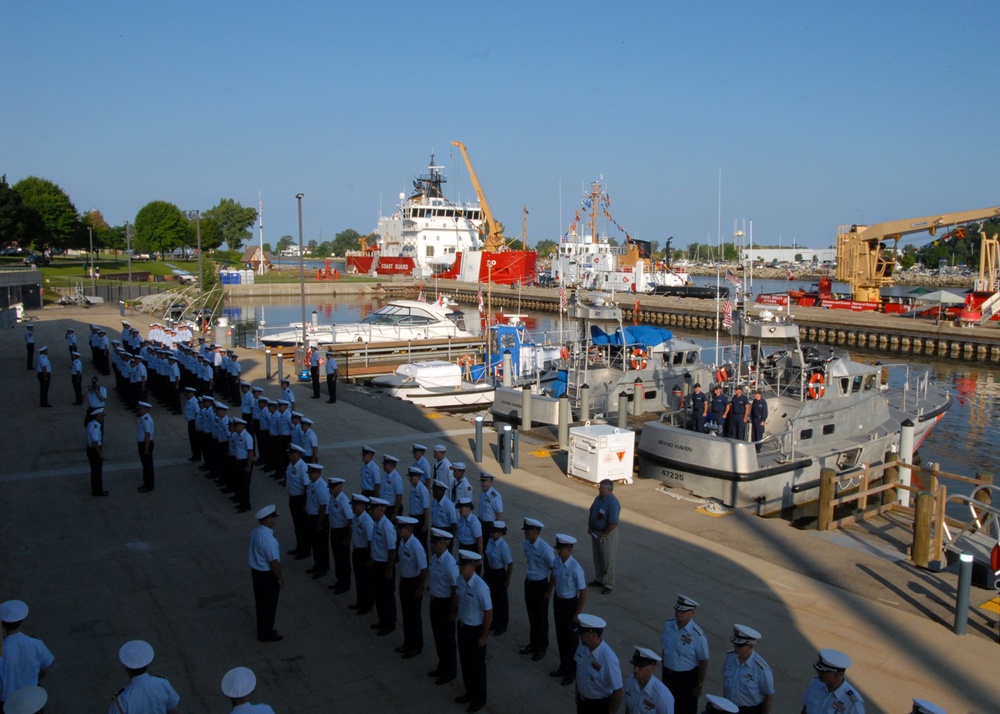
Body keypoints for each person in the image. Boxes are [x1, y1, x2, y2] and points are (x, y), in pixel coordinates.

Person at [454, 549, 492, 714]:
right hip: (462, 627)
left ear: (472, 567)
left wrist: (484, 636)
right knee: (465, 662)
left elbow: (488, 613)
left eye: (463, 566)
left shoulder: (480, 587)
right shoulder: (461, 580)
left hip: (474, 630)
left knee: (476, 666)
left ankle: (479, 698)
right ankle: (469, 692)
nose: (460, 569)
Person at [661, 595, 709, 714]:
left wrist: (699, 684)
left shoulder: (697, 635)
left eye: (683, 611)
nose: (679, 613)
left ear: (692, 612)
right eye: (677, 610)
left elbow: (703, 661)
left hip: (686, 680)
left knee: (685, 709)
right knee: (666, 708)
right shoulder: (669, 625)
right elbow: (665, 650)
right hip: (668, 675)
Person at [0, 600, 54, 705]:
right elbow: (46, 668)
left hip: (7, 702)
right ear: (23, 620)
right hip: (31, 698)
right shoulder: (36, 643)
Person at [550, 534, 587, 685]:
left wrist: (577, 613)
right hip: (559, 602)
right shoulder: (557, 562)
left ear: (570, 549)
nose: (559, 552)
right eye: (558, 549)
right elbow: (554, 578)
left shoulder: (575, 568)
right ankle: (563, 666)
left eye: (562, 549)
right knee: (560, 637)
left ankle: (571, 671)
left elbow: (583, 591)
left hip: (570, 605)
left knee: (571, 641)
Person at [108, 640, 180, 714]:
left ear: (127, 669)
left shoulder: (122, 699)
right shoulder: (163, 684)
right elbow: (173, 711)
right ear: (146, 664)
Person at [426, 528, 459, 685]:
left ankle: (450, 671)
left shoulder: (449, 564)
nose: (432, 546)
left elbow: (455, 589)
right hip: (435, 602)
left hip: (445, 604)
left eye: (434, 543)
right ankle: (442, 666)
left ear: (443, 544)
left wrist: (452, 612)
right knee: (438, 637)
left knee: (447, 640)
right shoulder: (435, 558)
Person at [519, 517, 554, 662]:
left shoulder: (545, 549)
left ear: (536, 532)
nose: (525, 533)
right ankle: (533, 643)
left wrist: (548, 590)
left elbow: (555, 570)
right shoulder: (526, 544)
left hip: (541, 585)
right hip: (530, 583)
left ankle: (541, 647)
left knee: (541, 618)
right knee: (532, 615)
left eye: (527, 531)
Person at [573, 613, 623, 714]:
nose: (579, 636)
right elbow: (579, 672)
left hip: (598, 706)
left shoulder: (608, 659)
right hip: (582, 702)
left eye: (582, 634)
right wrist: (577, 695)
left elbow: (618, 691)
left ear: (593, 635)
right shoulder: (582, 646)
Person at [248, 505, 283, 642]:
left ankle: (263, 629)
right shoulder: (269, 539)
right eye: (274, 517)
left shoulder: (255, 532)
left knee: (261, 604)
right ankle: (266, 633)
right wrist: (279, 577)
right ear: (268, 519)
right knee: (269, 605)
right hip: (266, 575)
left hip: (257, 572)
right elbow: (273, 562)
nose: (275, 520)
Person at [395, 516, 428, 658]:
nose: (398, 531)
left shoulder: (416, 546)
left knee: (414, 616)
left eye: (401, 528)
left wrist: (420, 588)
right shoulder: (402, 542)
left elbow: (424, 569)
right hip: (404, 582)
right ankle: (408, 642)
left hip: (414, 583)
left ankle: (416, 645)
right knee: (406, 615)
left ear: (409, 529)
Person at [722, 625, 773, 714]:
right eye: (735, 644)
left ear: (750, 646)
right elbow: (726, 681)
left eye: (739, 645)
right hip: (729, 707)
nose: (735, 647)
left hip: (749, 711)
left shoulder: (761, 669)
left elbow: (768, 695)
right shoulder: (730, 657)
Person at [800, 649, 864, 714]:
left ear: (836, 676)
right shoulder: (816, 683)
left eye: (823, 672)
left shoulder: (852, 703)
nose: (818, 672)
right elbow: (806, 708)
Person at [368, 497, 397, 636]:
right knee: (378, 594)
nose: (371, 512)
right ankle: (382, 620)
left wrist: (389, 569)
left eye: (373, 509)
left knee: (387, 596)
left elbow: (392, 549)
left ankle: (389, 623)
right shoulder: (376, 523)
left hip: (385, 565)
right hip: (377, 563)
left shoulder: (387, 527)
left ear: (380, 509)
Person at [588, 479, 621, 595]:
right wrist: (590, 527)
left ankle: (609, 584)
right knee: (597, 557)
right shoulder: (598, 499)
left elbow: (613, 523)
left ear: (608, 489)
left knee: (608, 559)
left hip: (607, 534)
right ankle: (599, 579)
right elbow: (591, 511)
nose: (599, 489)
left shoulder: (613, 503)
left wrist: (604, 534)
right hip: (596, 532)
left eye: (601, 487)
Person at [483, 521, 513, 637]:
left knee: (501, 601)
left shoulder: (503, 547)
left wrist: (507, 580)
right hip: (491, 572)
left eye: (494, 532)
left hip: (500, 574)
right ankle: (494, 622)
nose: (492, 534)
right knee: (492, 598)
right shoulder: (491, 541)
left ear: (500, 533)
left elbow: (510, 564)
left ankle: (502, 625)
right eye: (491, 531)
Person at [624, 646, 674, 714]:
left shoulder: (662, 697)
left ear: (652, 667)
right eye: (635, 665)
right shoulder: (630, 682)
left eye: (640, 666)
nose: (635, 670)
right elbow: (629, 708)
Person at [348, 494, 375, 615]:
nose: (353, 508)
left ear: (362, 506)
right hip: (357, 550)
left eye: (355, 506)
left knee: (365, 580)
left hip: (364, 552)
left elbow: (370, 541)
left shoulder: (367, 520)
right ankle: (360, 601)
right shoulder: (356, 517)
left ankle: (367, 604)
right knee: (358, 578)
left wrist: (369, 558)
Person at [327, 477, 353, 594]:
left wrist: (347, 538)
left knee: (343, 559)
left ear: (339, 486)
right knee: (337, 557)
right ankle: (339, 579)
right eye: (330, 487)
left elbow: (350, 521)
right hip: (335, 531)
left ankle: (345, 582)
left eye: (333, 487)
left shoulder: (343, 500)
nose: (330, 489)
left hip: (342, 532)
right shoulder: (333, 498)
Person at [304, 463, 330, 579]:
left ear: (317, 473)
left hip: (320, 518)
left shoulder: (321, 486)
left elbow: (323, 506)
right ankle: (317, 564)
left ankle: (323, 568)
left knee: (321, 544)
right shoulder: (312, 484)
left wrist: (319, 522)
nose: (309, 475)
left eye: (310, 473)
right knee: (315, 543)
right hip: (312, 516)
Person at [231, 418, 255, 513]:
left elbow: (250, 452)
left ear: (242, 426)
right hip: (238, 461)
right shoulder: (237, 435)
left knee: (244, 484)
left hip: (245, 462)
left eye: (236, 426)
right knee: (239, 482)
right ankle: (241, 502)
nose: (235, 428)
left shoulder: (247, 436)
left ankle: (246, 505)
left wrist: (248, 465)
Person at [86, 408, 108, 497]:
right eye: (101, 416)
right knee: (97, 472)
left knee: (95, 471)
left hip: (91, 449)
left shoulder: (92, 424)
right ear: (97, 416)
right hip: (94, 450)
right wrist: (100, 453)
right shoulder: (95, 426)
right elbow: (95, 442)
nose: (103, 418)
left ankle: (97, 490)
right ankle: (98, 491)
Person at [407, 467, 430, 547]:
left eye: (412, 476)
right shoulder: (412, 488)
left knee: (422, 543)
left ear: (418, 477)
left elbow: (426, 508)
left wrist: (426, 523)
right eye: (410, 476)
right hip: (413, 517)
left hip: (420, 518)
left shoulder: (423, 490)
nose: (410, 479)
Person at [136, 401, 155, 492]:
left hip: (146, 444)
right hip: (143, 443)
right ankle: (146, 483)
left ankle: (149, 485)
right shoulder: (143, 418)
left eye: (141, 408)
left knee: (148, 466)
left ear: (146, 409)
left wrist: (146, 448)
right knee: (145, 465)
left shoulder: (146, 419)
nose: (139, 410)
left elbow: (147, 435)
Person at [381, 454, 404, 521]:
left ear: (391, 465)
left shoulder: (396, 479)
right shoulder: (385, 475)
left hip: (391, 508)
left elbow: (399, 497)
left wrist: (395, 513)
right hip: (384, 507)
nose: (383, 466)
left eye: (385, 464)